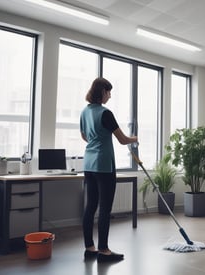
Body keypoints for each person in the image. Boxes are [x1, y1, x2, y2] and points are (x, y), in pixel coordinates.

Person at [80, 77, 138, 262]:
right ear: (101, 92)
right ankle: (104, 250)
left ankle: (90, 248)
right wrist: (134, 138)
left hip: (88, 164)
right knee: (105, 208)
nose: (110, 95)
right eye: (108, 91)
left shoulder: (84, 112)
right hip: (104, 165)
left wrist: (96, 142)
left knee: (90, 206)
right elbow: (122, 139)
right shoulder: (106, 113)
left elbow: (84, 136)